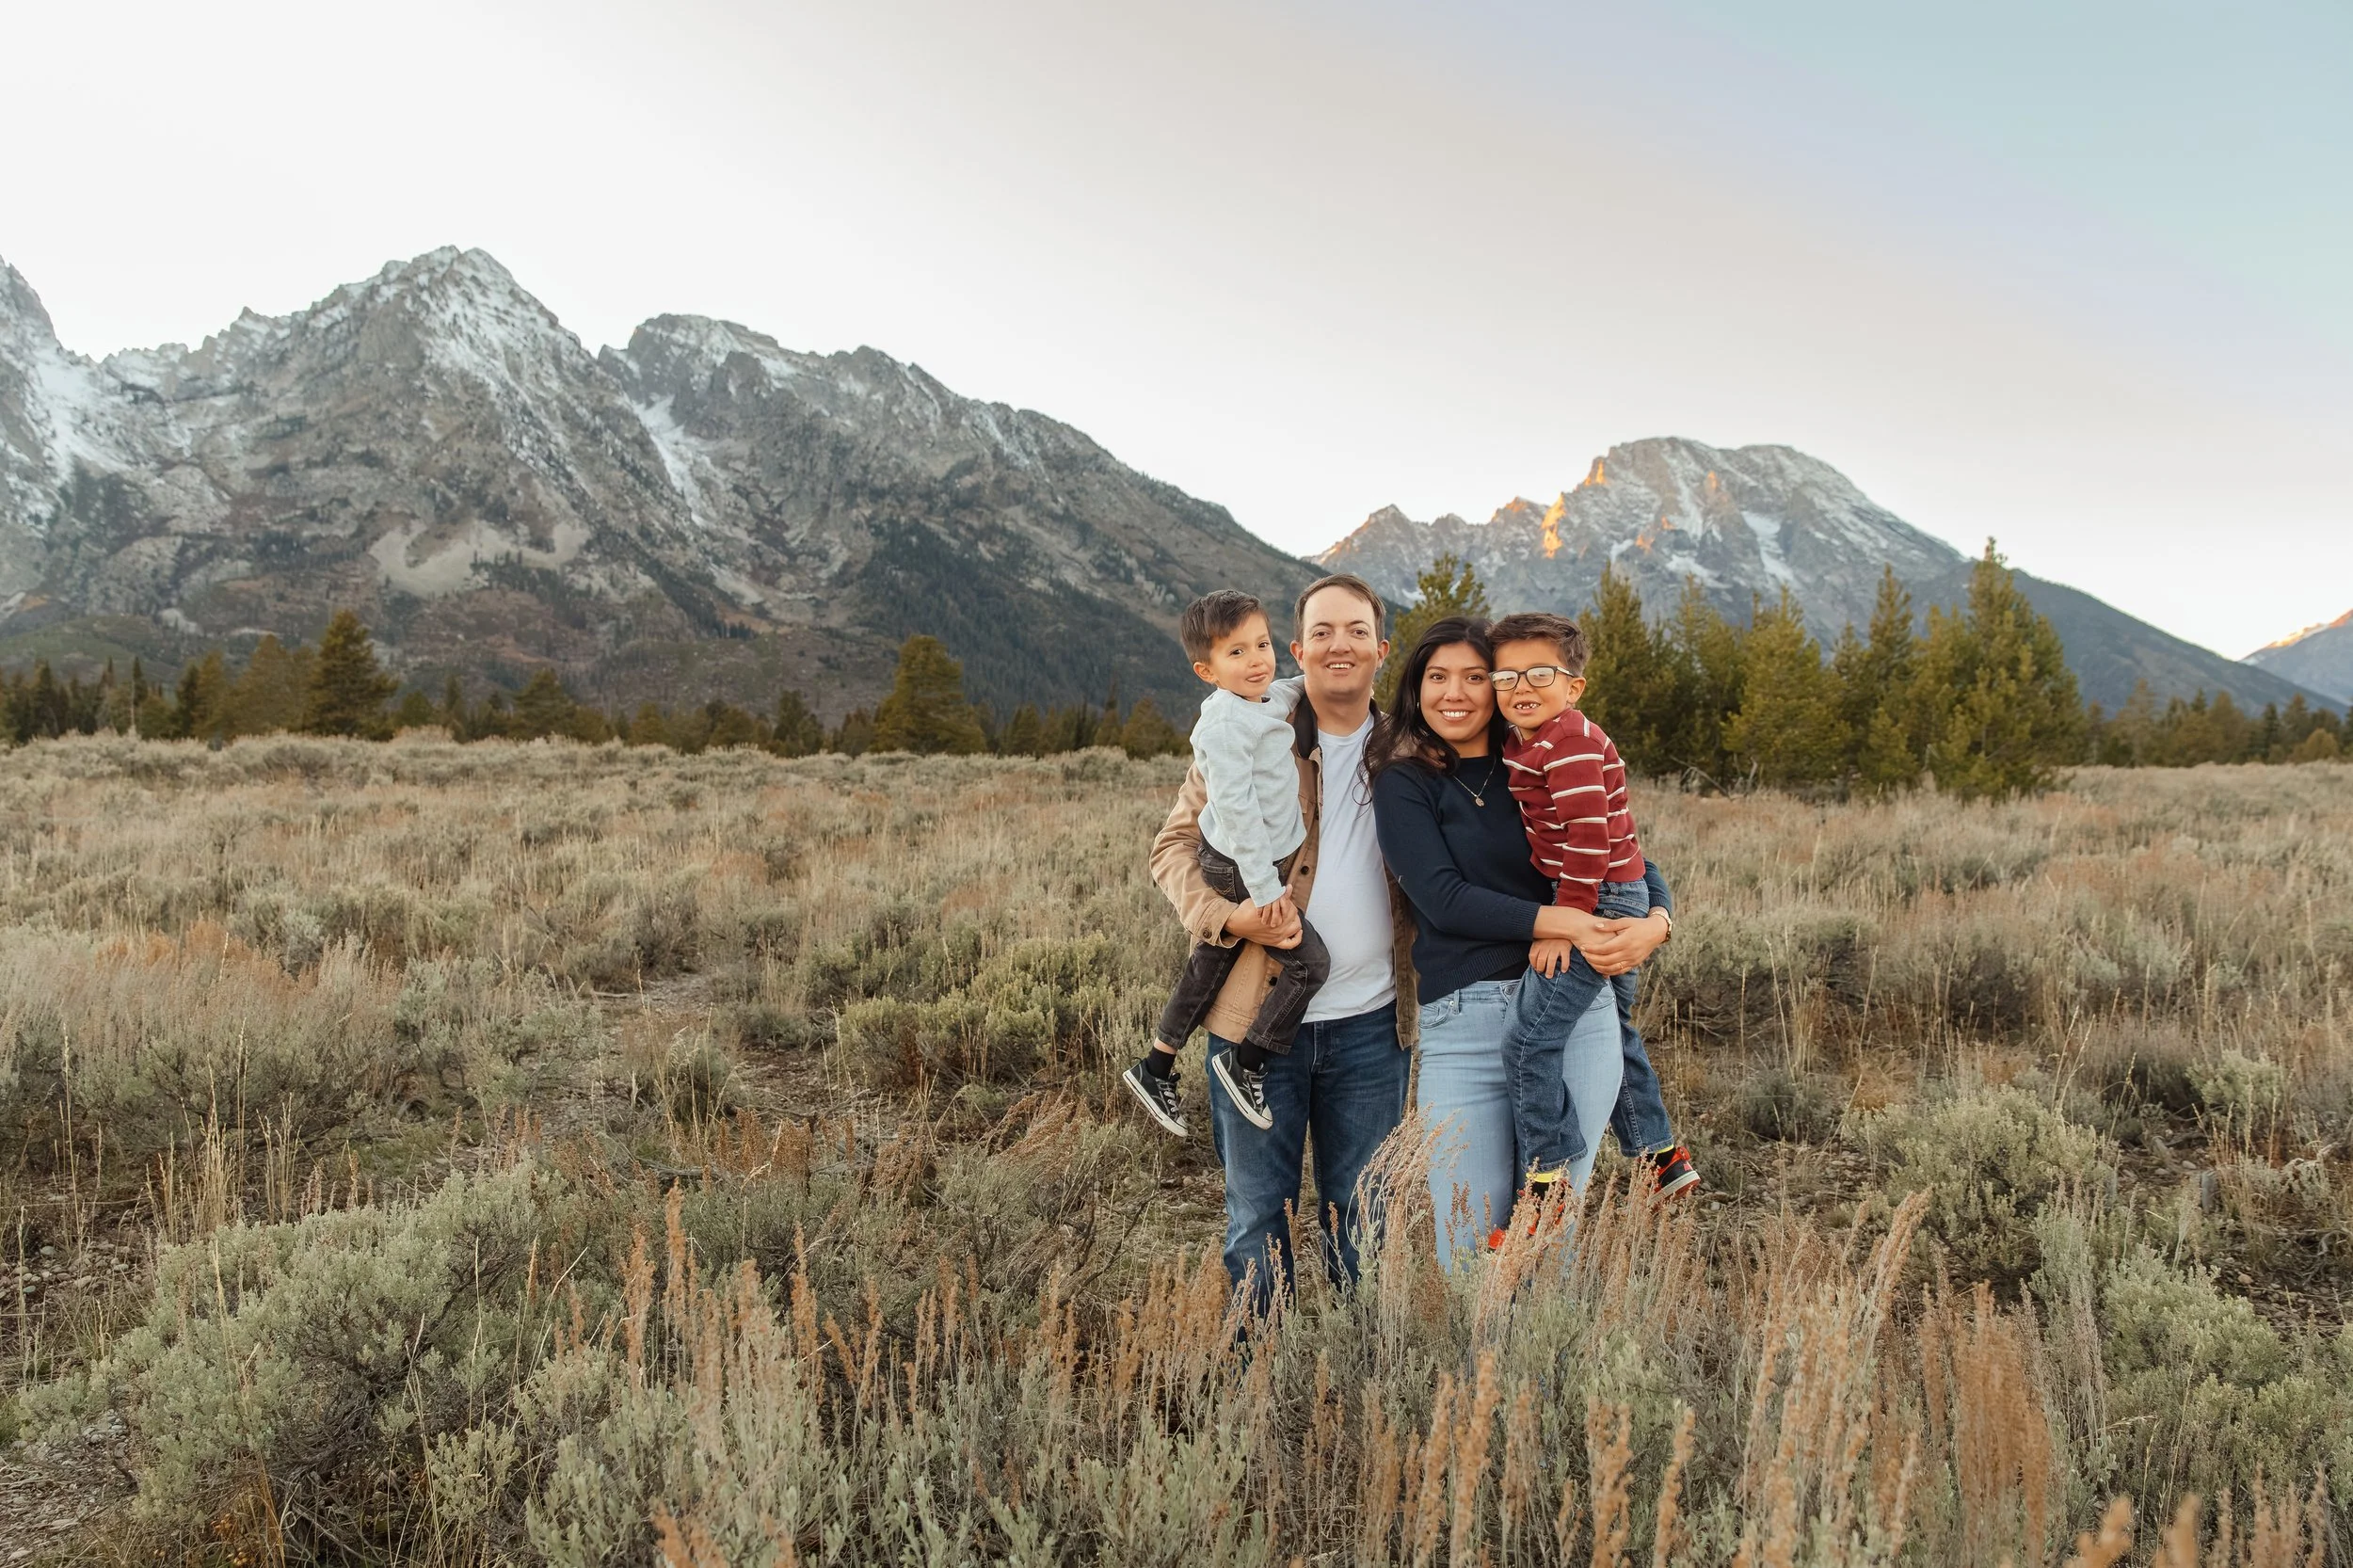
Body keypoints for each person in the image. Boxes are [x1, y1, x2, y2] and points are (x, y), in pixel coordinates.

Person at [1369, 618, 1676, 1271]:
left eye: (1476, 677)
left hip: (1574, 1020)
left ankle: (1540, 1372)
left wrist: (1657, 924)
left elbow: (1625, 851)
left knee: (1547, 1255)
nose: (1456, 693)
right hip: (1465, 1023)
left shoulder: (1543, 753)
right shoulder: (1406, 782)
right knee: (1471, 1251)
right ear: (1416, 689)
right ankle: (1477, 1374)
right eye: (1437, 678)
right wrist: (1564, 921)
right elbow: (1443, 898)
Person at [1148, 574, 1417, 1311]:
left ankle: (1363, 1384)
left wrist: (1644, 904)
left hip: (1372, 1030)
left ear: (1380, 648)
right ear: (1300, 648)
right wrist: (1230, 920)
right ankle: (1256, 1393)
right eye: (1322, 631)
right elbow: (1172, 848)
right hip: (1253, 1029)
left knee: (1365, 1222)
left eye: (1356, 630)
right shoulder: (1252, 727)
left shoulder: (1409, 749)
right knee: (1258, 1224)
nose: (1340, 644)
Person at [1485, 611, 1697, 1237]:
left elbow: (1588, 842)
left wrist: (1564, 924)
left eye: (1540, 673)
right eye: (1506, 676)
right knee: (1619, 1032)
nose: (1521, 686)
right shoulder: (1531, 740)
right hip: (1608, 894)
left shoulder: (1568, 742)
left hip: (1596, 899)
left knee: (1527, 1041)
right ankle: (1658, 1154)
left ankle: (1547, 1179)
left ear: (1573, 685)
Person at [1125, 589, 1327, 1137]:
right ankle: (1249, 1061)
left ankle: (1158, 1063)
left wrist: (1314, 674)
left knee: (1212, 960)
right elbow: (1236, 812)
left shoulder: (1258, 700)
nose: (1257, 659)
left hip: (1243, 864)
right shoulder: (1223, 726)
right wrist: (1265, 892)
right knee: (1310, 964)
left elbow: (1285, 691)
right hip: (1241, 866)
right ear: (1206, 670)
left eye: (1262, 644)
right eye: (1236, 653)